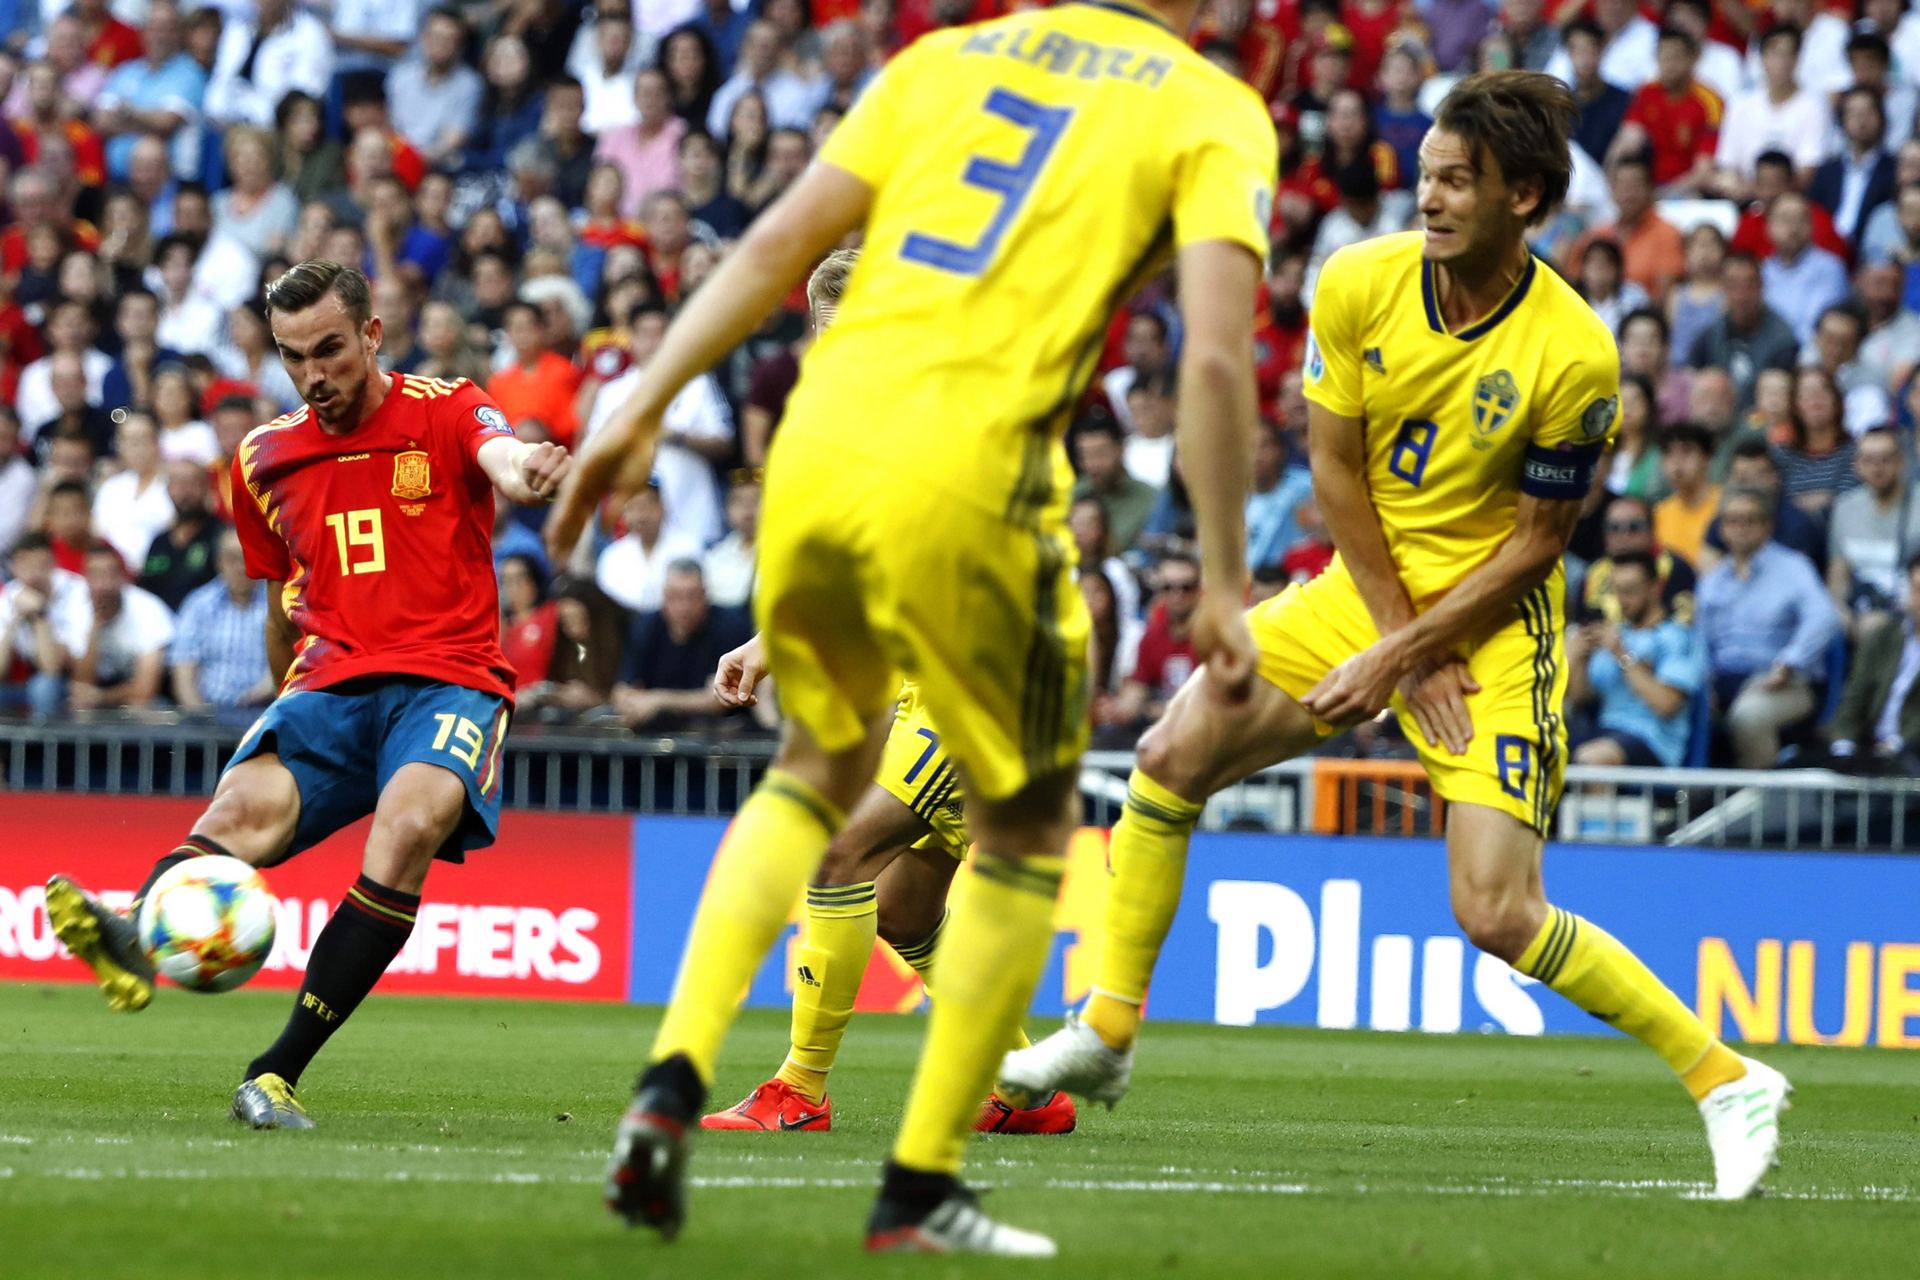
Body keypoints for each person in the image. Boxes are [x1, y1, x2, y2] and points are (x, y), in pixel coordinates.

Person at [547, 0, 1274, 1254]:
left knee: (850, 838)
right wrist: (1219, 572)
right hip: (981, 478)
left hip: (825, 461)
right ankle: (897, 1156)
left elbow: (773, 236)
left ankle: (682, 1070)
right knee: (1014, 831)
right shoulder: (1209, 106)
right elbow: (1212, 364)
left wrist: (643, 397)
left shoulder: (946, 58)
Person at [1001, 71, 1790, 1206]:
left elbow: (1536, 543)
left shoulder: (1574, 352)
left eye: (1458, 181)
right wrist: (1390, 642)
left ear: (1525, 197)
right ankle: (1109, 1026)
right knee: (1170, 756)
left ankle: (1728, 1079)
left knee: (1496, 912)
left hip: (1495, 628)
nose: (1430, 197)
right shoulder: (1359, 279)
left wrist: (1418, 651)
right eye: (1425, 174)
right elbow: (1333, 466)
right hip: (1363, 595)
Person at [44, 261, 571, 1132]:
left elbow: (500, 453)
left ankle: (275, 1073)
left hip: (450, 676)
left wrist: (525, 470)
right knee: (239, 811)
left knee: (404, 829)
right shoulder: (262, 457)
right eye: (294, 357)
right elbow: (281, 595)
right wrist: (283, 695)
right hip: (330, 681)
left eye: (329, 349)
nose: (314, 373)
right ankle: (136, 932)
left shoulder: (444, 407)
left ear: (370, 334)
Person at [1696, 486, 1839, 767]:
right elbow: (1700, 639)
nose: (1741, 528)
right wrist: (1704, 680)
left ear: (1767, 526)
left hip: (1783, 682)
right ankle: (1690, 801)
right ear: (1721, 528)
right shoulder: (1713, 580)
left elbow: (1824, 617)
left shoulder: (1793, 567)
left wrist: (1788, 663)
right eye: (1732, 520)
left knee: (1750, 715)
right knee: (1677, 708)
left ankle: (1757, 802)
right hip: (1724, 681)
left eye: (1750, 520)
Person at [1567, 549, 1705, 768]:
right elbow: (1580, 699)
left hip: (1653, 744)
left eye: (1630, 591)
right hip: (1604, 733)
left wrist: (1621, 654)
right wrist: (1578, 659)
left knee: (1592, 759)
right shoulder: (1616, 633)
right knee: (1547, 753)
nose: (1622, 600)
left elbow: (1666, 704)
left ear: (1654, 587)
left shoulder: (1679, 637)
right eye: (1617, 591)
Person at [1826, 554, 1920, 769]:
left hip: (1911, 755)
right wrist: (1843, 745)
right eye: (1917, 589)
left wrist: (1896, 746)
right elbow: (1854, 697)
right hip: (1869, 752)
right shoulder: (1882, 636)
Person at [1826, 428, 1920, 636]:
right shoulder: (1845, 507)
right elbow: (1838, 570)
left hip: (1907, 610)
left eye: (1885, 459)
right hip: (1859, 607)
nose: (1877, 468)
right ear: (1856, 465)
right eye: (1868, 460)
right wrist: (1840, 610)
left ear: (1901, 462)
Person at [169, 530, 273, 708]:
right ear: (219, 562)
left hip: (265, 711)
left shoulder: (277, 604)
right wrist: (200, 718)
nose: (241, 567)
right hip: (208, 715)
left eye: (247, 557)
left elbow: (287, 661)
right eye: (232, 559)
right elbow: (183, 670)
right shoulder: (199, 605)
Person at [69, 539, 176, 711]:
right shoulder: (76, 609)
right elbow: (82, 685)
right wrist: (95, 626)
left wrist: (101, 697)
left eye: (109, 574)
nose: (103, 585)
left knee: (141, 707)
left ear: (123, 578)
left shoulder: (149, 610)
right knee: (77, 704)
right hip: (101, 689)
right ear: (85, 579)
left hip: (150, 696)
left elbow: (145, 690)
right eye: (95, 575)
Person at [0, 532, 90, 716]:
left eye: (40, 565)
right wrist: (14, 619)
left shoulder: (76, 590)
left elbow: (53, 667)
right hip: (26, 685)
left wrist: (39, 614)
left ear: (52, 563)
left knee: (43, 686)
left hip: (74, 685)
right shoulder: (10, 595)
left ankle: (42, 746)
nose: (33, 573)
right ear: (14, 567)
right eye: (24, 565)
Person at [1651, 423, 1718, 566]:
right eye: (1668, 453)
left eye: (1687, 452)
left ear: (1707, 459)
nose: (1676, 462)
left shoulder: (1726, 504)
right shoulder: (1659, 513)